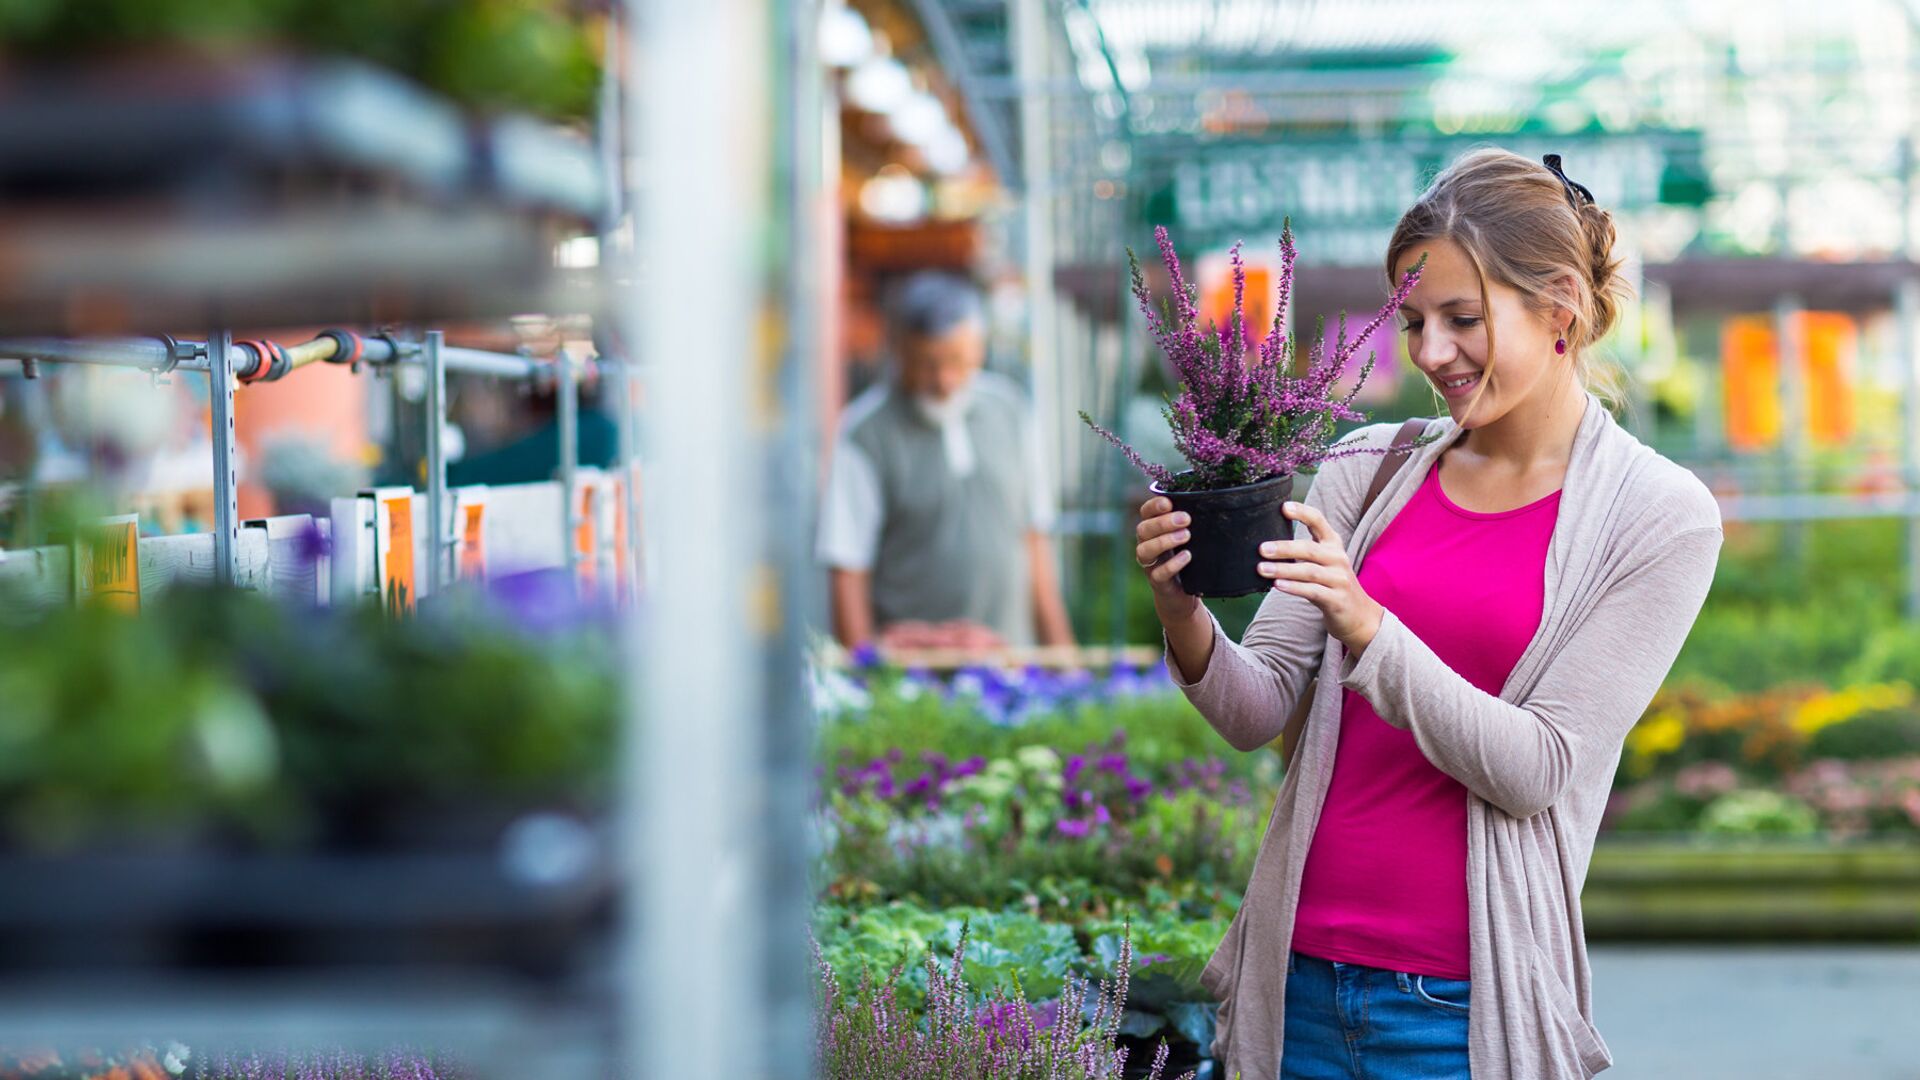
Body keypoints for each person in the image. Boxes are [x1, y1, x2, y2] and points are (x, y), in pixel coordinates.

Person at [1132, 149, 1722, 1080]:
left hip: (1463, 1012)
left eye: (1462, 319)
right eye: (1412, 322)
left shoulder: (1656, 515)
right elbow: (1257, 709)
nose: (1430, 353)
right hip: (1297, 985)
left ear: (1559, 305)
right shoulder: (1368, 469)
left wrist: (1369, 628)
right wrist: (1182, 611)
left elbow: (1538, 768)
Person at [817, 269, 1075, 652]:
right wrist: (864, 671)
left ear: (979, 348)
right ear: (899, 351)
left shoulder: (1011, 412)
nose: (943, 379)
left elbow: (1034, 538)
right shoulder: (864, 433)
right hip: (909, 677)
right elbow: (847, 566)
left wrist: (1061, 653)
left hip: (1009, 668)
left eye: (956, 360)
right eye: (926, 363)